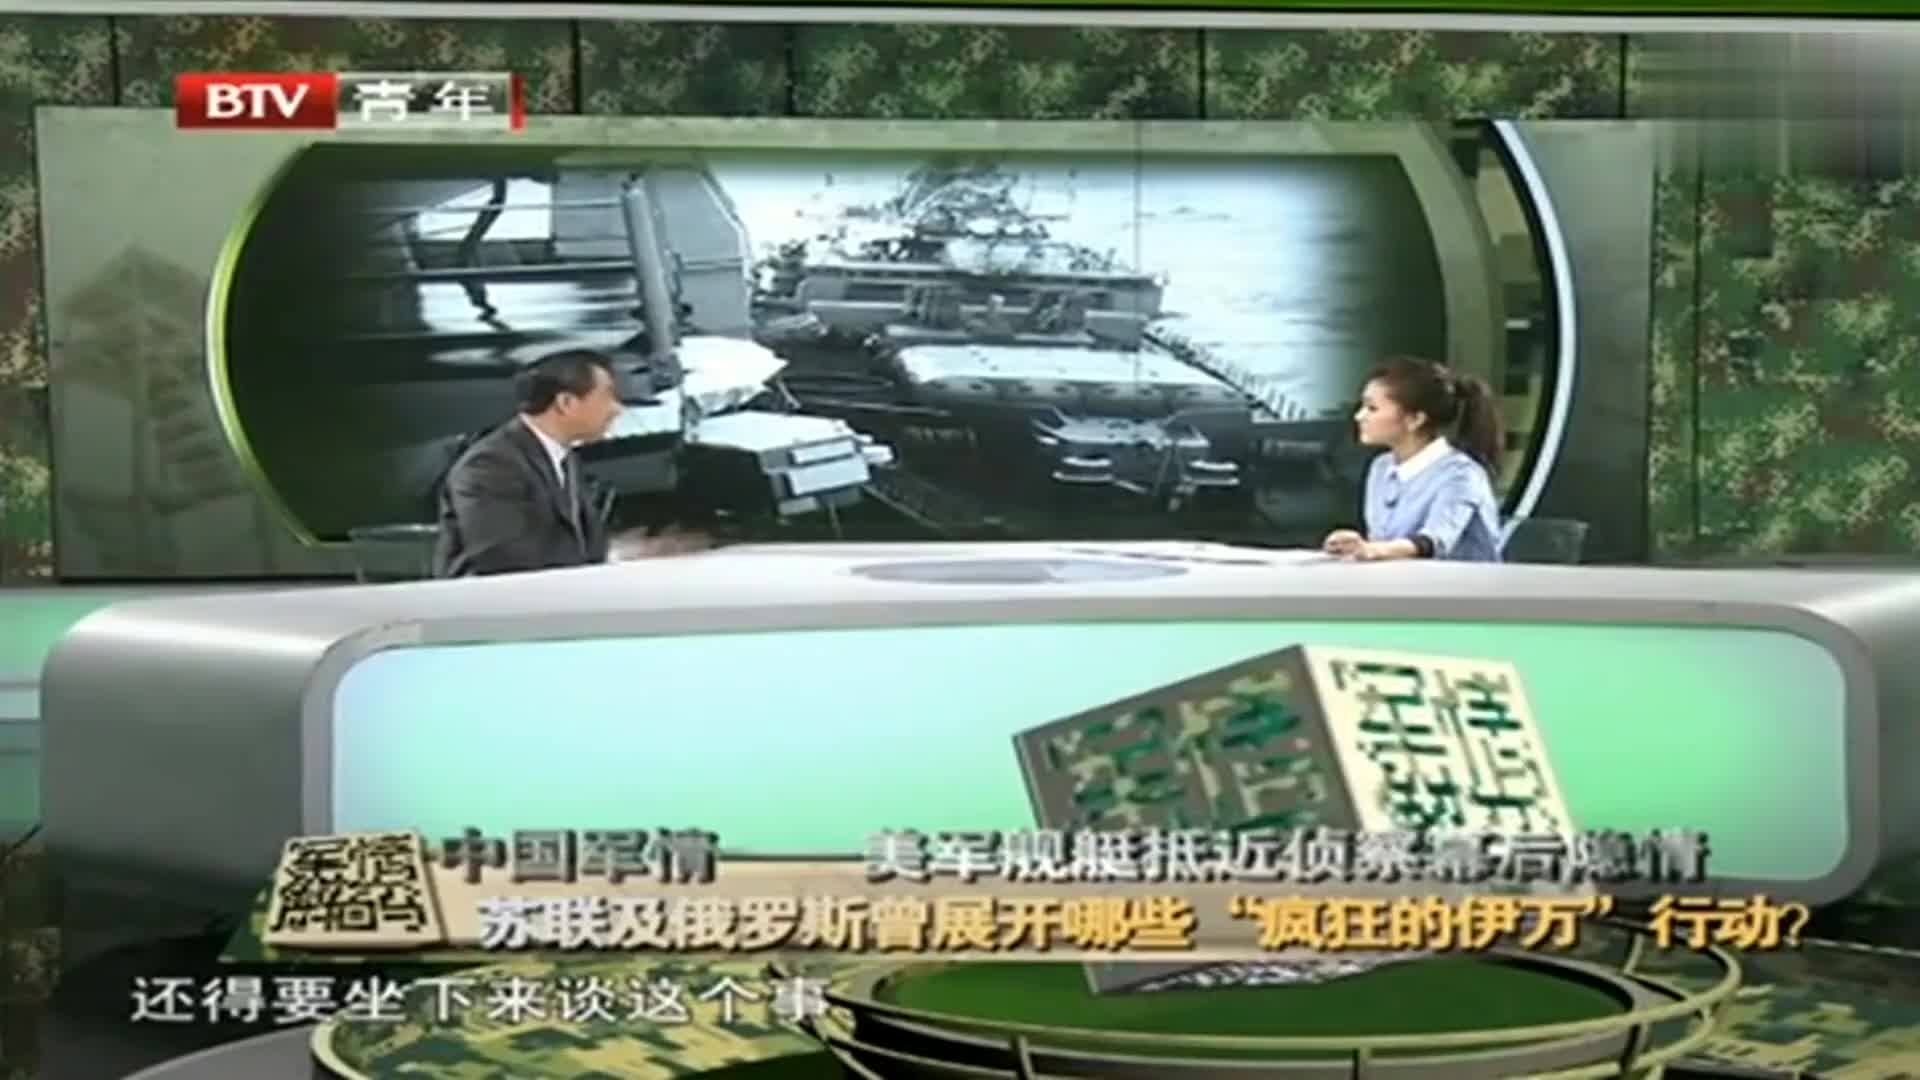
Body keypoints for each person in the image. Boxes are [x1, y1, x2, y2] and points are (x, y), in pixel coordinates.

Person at [431, 349, 626, 577]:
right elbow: (509, 561)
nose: (617, 409)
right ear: (566, 402)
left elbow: (583, 546)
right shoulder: (490, 465)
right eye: (607, 395)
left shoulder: (565, 459)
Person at [1321, 356, 1506, 563]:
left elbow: (1434, 542)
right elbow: (1381, 541)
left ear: (1415, 419)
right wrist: (1355, 546)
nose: (1359, 416)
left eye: (1372, 408)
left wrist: (1375, 550)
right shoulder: (1381, 467)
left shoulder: (1462, 475)